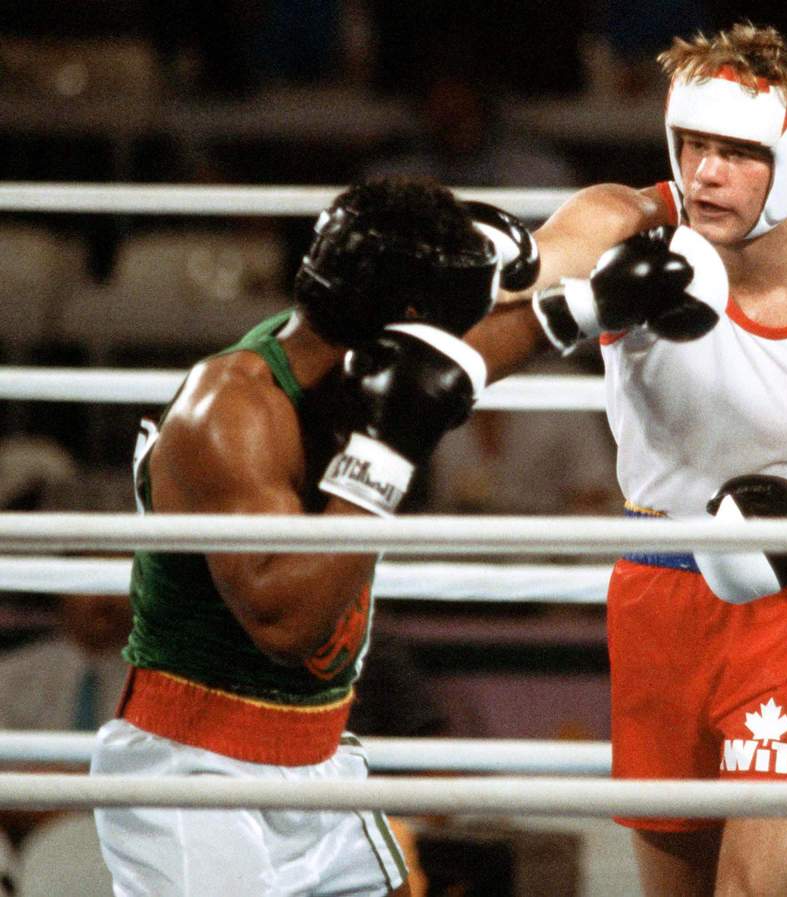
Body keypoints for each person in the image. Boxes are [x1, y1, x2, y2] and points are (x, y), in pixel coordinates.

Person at [465, 22, 787, 896]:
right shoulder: (626, 221)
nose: (706, 172)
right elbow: (538, 265)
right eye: (692, 145)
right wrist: (537, 274)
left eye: (738, 153)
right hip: (654, 592)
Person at [87, 177, 542, 897]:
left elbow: (507, 323)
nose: (461, 346)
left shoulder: (354, 360)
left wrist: (594, 298)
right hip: (197, 771)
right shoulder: (232, 409)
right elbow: (283, 620)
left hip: (316, 754)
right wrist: (384, 456)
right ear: (410, 322)